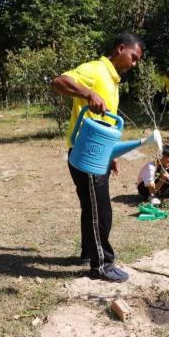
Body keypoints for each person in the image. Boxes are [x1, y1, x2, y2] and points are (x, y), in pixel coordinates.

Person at [51, 33, 144, 283]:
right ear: (121, 48)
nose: (134, 64)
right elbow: (59, 82)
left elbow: (105, 124)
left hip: (97, 153)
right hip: (86, 154)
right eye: (133, 57)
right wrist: (87, 93)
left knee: (90, 207)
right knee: (101, 211)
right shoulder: (96, 70)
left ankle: (88, 253)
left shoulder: (112, 80)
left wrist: (111, 154)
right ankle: (102, 264)